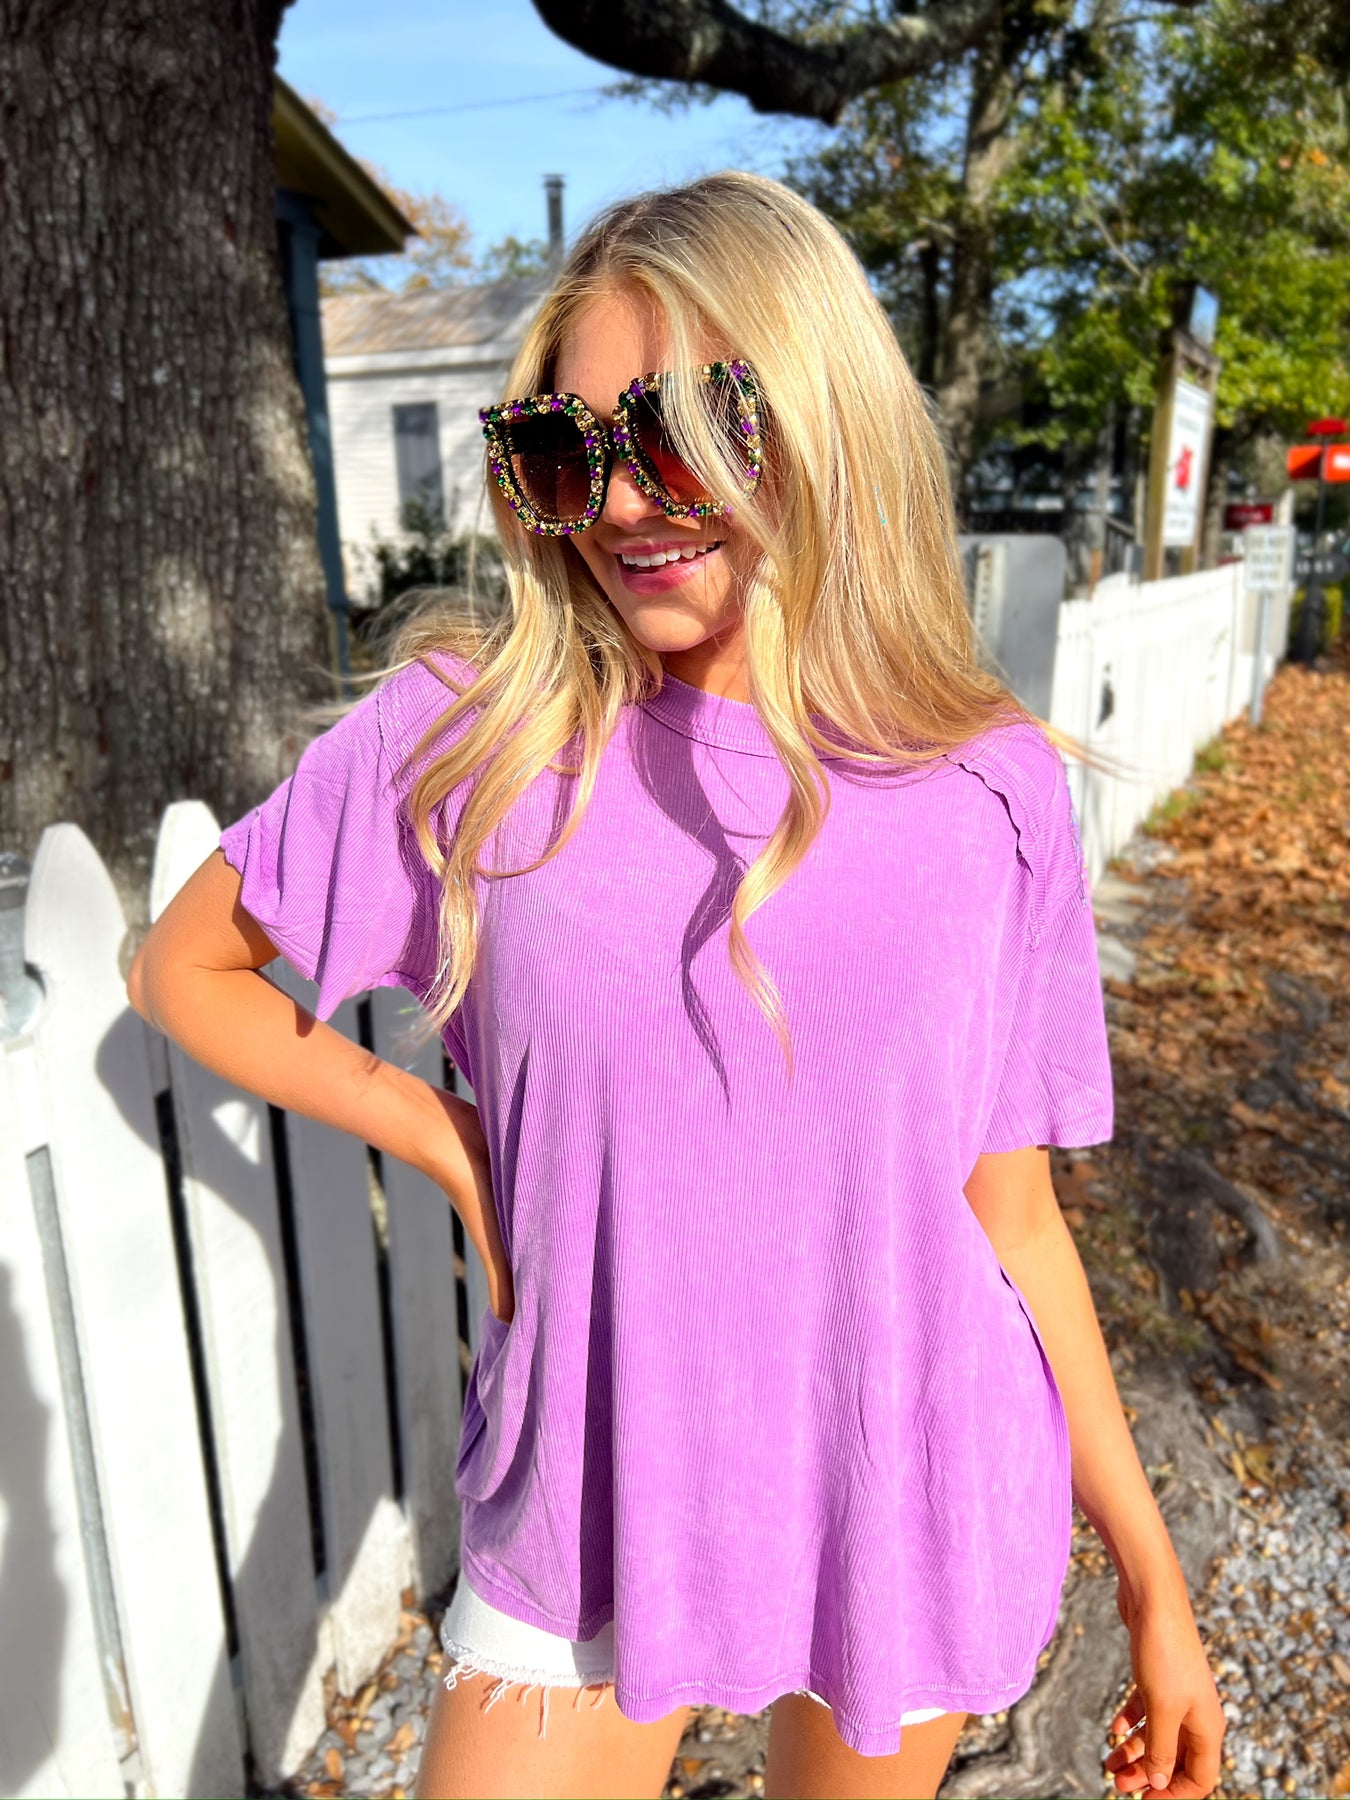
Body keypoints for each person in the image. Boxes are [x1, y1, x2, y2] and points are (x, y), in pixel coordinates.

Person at [127, 170, 1225, 1800]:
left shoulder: (986, 788)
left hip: (902, 1491)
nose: (625, 502)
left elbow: (1011, 1217)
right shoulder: (471, 743)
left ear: (825, 415)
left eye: (689, 431)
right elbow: (181, 967)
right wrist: (440, 1136)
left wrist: (1151, 1577)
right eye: (564, 451)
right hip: (589, 1495)